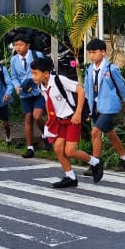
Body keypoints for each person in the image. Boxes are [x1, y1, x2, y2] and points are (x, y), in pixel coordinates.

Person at [31, 56, 91, 189]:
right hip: (60, 120)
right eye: (32, 73)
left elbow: (80, 91)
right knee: (58, 149)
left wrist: (78, 112)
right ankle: (70, 177)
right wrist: (50, 120)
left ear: (46, 73)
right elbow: (49, 103)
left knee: (70, 151)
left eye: (35, 73)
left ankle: (95, 161)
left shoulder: (59, 80)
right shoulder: (42, 86)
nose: (33, 76)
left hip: (72, 118)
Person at [80, 38, 125, 183]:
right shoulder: (89, 69)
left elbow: (121, 86)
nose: (92, 55)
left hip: (109, 106)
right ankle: (124, 158)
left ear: (103, 52)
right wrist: (86, 108)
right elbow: (87, 89)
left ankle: (94, 163)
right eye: (90, 53)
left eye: (94, 52)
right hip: (95, 106)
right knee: (110, 134)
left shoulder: (111, 68)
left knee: (95, 132)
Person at [7, 35, 47, 158]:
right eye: (15, 45)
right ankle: (30, 148)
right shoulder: (14, 60)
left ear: (27, 45)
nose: (18, 47)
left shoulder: (37, 55)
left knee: (37, 115)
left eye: (20, 44)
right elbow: (13, 76)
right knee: (28, 117)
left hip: (38, 91)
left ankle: (46, 135)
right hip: (24, 93)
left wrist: (37, 81)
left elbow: (45, 70)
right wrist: (17, 86)